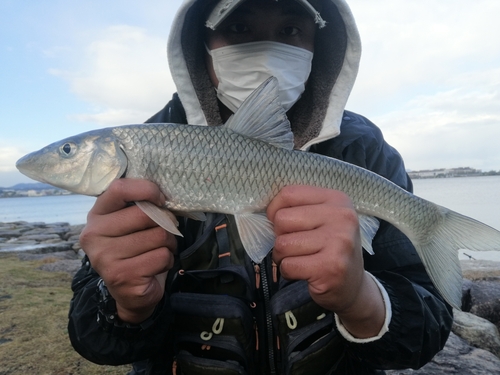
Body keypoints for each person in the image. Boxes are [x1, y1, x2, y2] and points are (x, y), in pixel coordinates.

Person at [68, 0, 453, 374]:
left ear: (320, 44)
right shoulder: (143, 149)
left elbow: (428, 329)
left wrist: (362, 300)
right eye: (238, 27)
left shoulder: (364, 149)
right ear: (199, 42)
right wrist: (122, 303)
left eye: (289, 30)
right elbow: (94, 340)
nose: (268, 51)